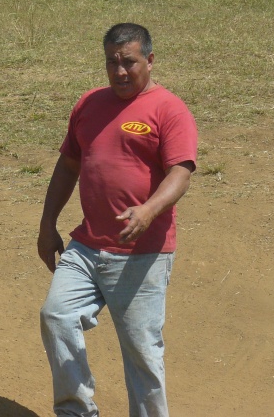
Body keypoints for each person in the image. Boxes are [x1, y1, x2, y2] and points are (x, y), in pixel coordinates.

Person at [37, 22, 198, 417]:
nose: (120, 71)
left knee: (142, 352)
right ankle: (76, 411)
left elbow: (180, 173)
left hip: (142, 254)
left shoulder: (168, 109)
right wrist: (47, 225)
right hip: (87, 246)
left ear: (149, 60)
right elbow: (68, 165)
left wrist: (148, 209)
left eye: (128, 62)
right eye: (112, 62)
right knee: (56, 315)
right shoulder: (90, 103)